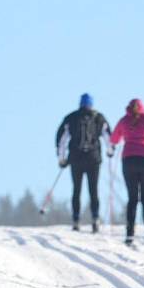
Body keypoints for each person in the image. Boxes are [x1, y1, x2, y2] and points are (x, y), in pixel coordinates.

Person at [56, 93, 113, 232]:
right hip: (94, 159)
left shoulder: (71, 118)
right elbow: (107, 136)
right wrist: (109, 151)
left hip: (76, 159)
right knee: (93, 190)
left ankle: (76, 219)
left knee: (76, 190)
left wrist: (62, 158)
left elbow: (61, 140)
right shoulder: (98, 117)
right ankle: (95, 219)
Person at [110, 99, 144, 246]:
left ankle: (129, 235)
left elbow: (114, 139)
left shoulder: (124, 120)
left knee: (132, 198)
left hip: (129, 160)